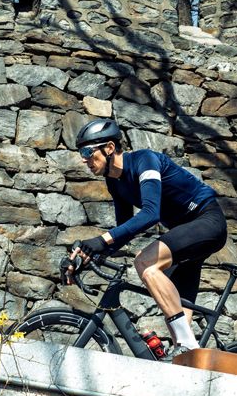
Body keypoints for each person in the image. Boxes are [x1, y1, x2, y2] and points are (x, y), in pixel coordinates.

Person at [68, 118, 227, 356]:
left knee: (145, 262)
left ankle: (188, 345)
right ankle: (187, 356)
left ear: (110, 148)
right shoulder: (114, 182)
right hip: (185, 235)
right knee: (172, 306)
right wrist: (88, 254)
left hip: (206, 221)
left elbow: (151, 213)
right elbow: (124, 231)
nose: (84, 159)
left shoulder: (145, 160)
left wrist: (101, 240)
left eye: (88, 151)